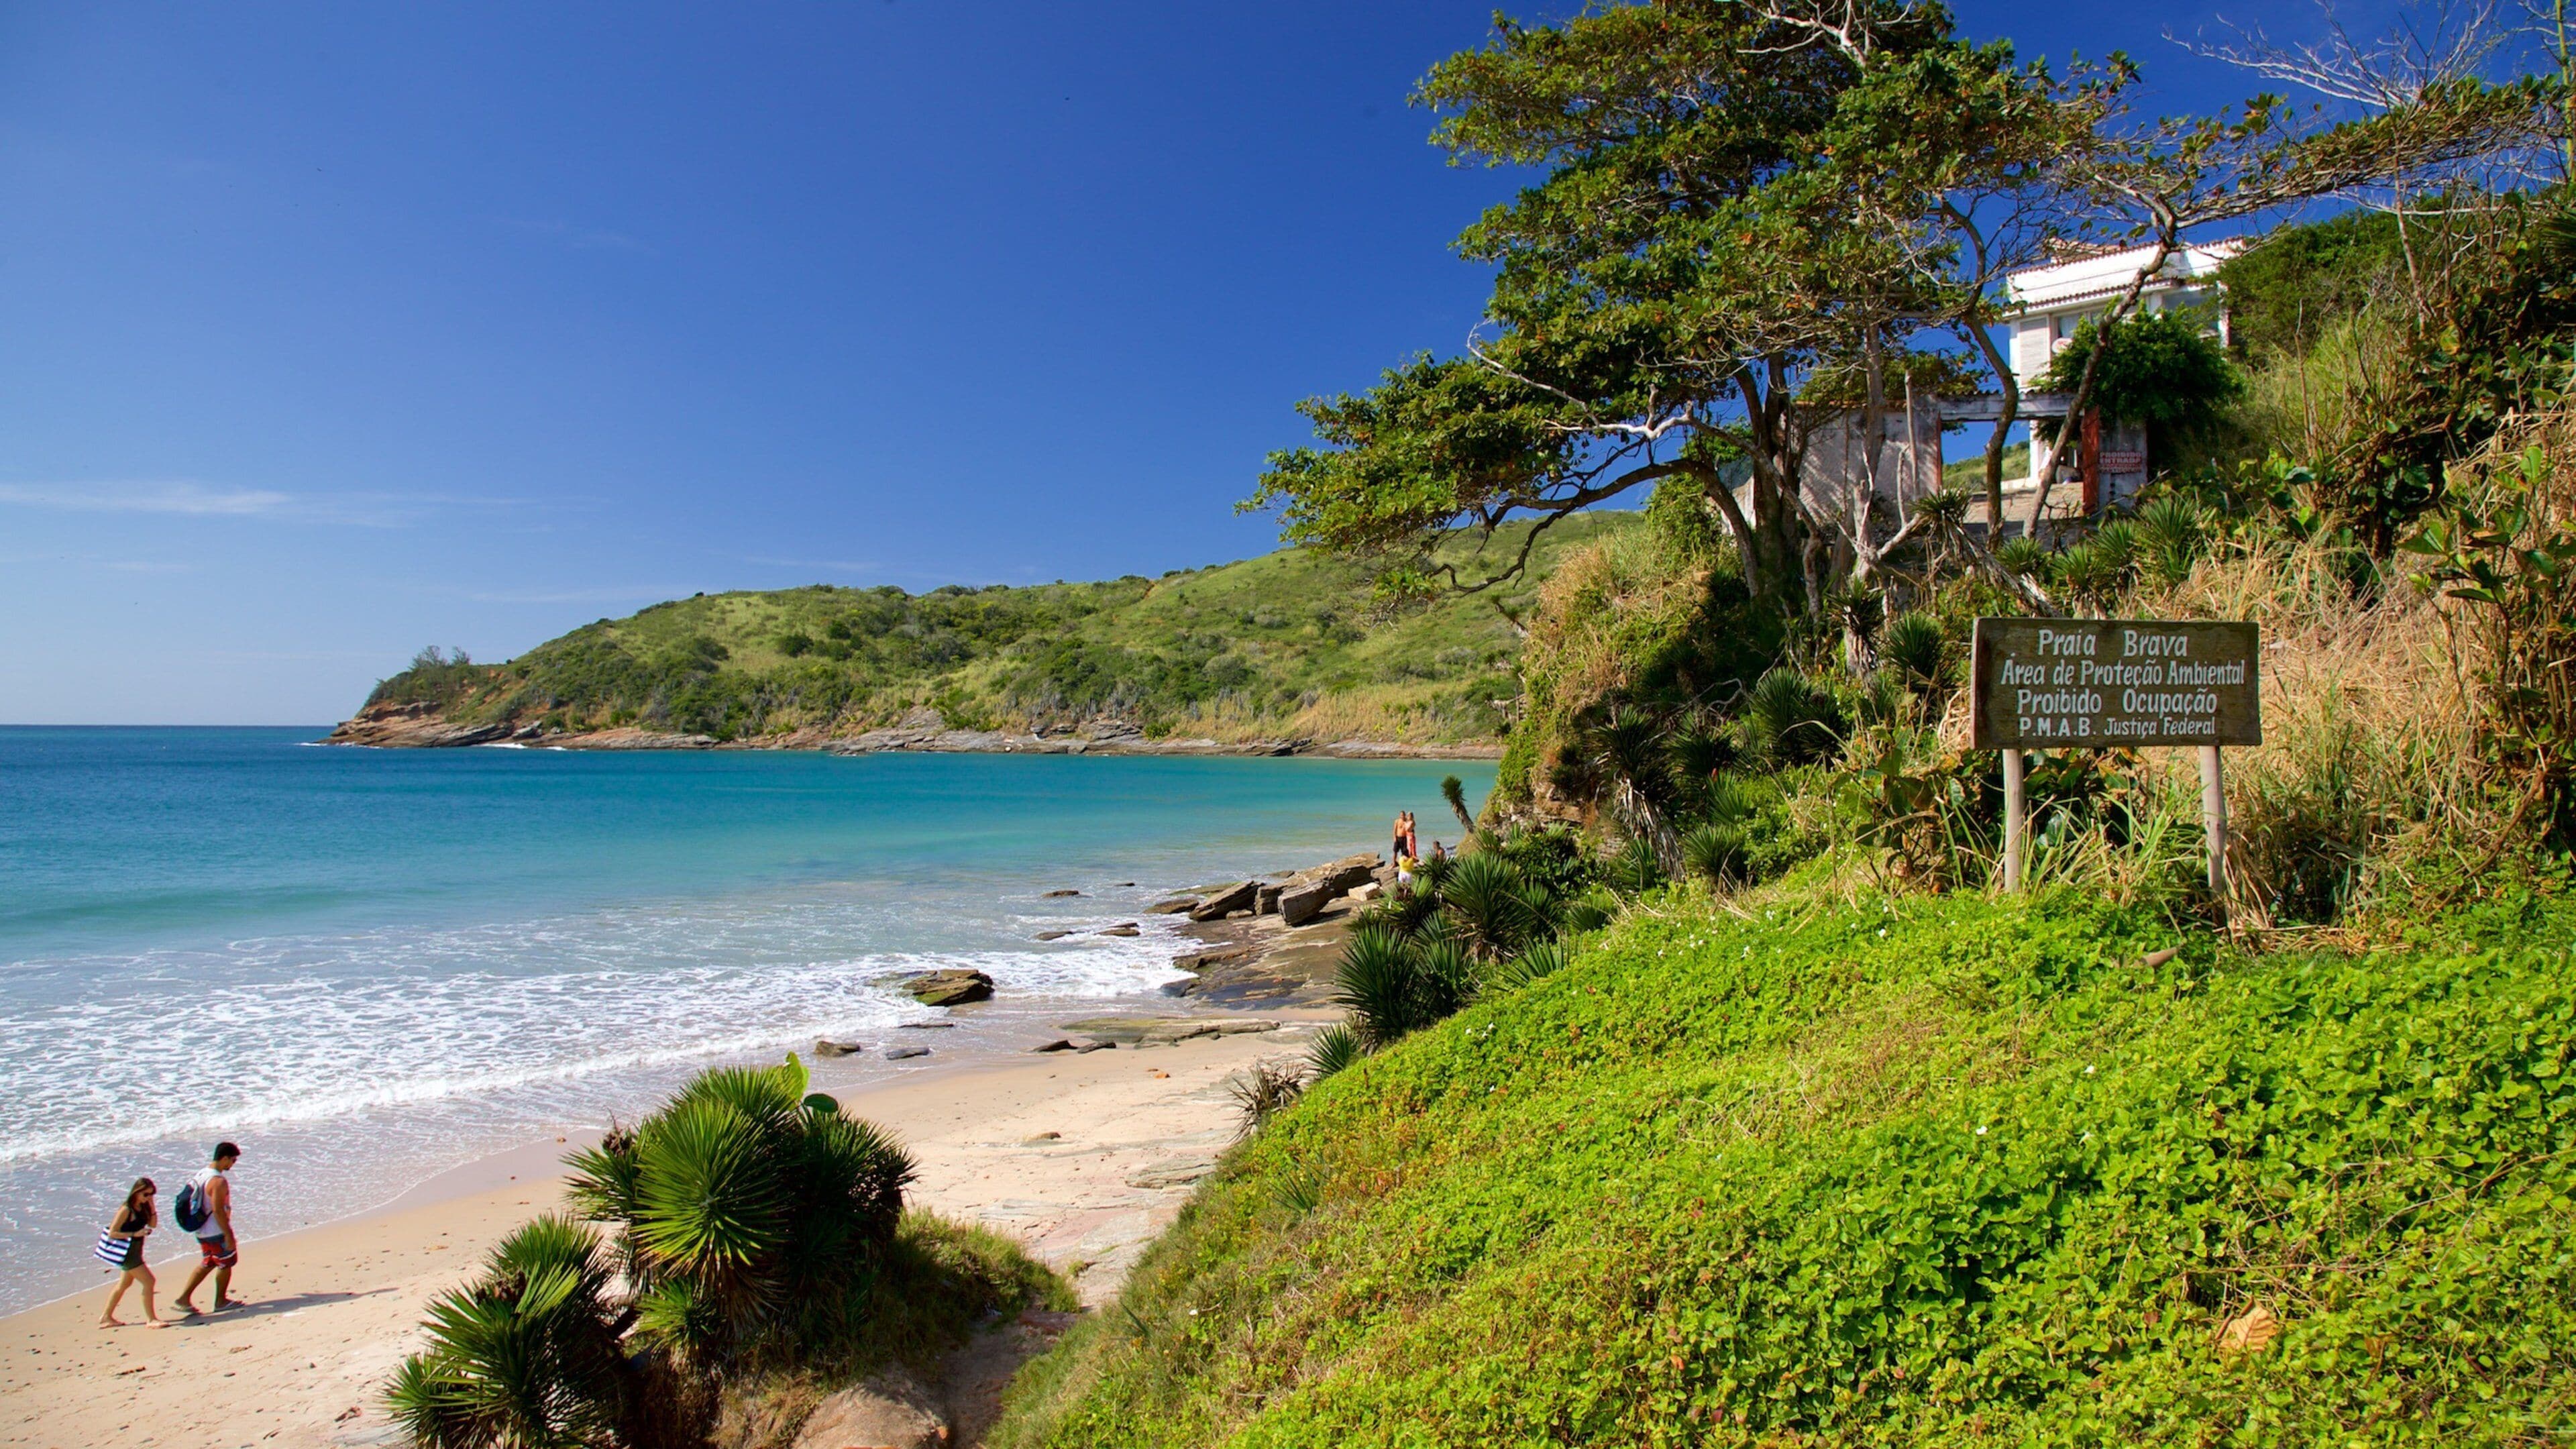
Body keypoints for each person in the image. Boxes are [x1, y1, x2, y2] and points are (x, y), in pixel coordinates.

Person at [172, 1142, 243, 1316]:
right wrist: (229, 1234)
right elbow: (218, 1210)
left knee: (209, 1262)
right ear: (225, 1158)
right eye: (232, 1160)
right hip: (215, 1230)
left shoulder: (201, 1174)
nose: (233, 1164)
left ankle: (183, 1299)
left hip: (202, 1229)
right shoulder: (218, 1181)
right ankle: (221, 1301)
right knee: (226, 1263)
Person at [95, 1178, 166, 1328]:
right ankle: (151, 1319)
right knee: (149, 1281)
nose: (148, 1198)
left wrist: (152, 1205)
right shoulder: (126, 1209)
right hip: (128, 1254)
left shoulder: (144, 1206)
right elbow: (112, 1233)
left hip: (136, 1251)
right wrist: (135, 1234)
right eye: (146, 1194)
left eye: (151, 1195)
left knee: (124, 1284)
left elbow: (153, 1224)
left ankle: (106, 1316)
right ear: (137, 1191)